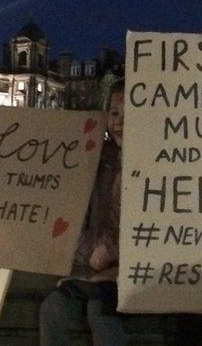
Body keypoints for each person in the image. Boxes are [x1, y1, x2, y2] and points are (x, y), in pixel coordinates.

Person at [40, 80, 128, 346]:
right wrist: (93, 252)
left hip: (131, 273)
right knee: (51, 310)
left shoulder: (158, 163)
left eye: (130, 112)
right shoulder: (96, 159)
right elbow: (74, 217)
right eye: (114, 113)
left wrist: (112, 252)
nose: (120, 122)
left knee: (100, 313)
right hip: (91, 268)